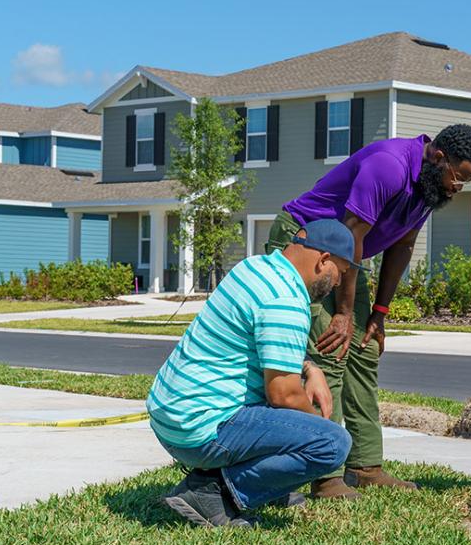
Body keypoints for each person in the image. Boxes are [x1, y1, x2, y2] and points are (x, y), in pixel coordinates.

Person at [266, 123, 471, 500]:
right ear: (438, 156)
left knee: (364, 350)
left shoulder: (427, 188)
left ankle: (366, 466)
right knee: (331, 348)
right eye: (457, 178)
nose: (456, 188)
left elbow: (402, 246)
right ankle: (326, 474)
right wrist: (343, 313)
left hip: (350, 256)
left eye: (465, 183)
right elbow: (352, 232)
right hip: (306, 243)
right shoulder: (388, 165)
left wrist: (379, 314)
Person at [147, 219, 359, 528]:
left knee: (297, 425)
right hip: (199, 428)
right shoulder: (285, 299)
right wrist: (314, 425)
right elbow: (283, 394)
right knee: (332, 443)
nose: (339, 282)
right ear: (323, 260)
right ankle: (217, 494)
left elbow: (258, 345)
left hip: (171, 417)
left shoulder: (255, 268)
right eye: (340, 271)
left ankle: (260, 484)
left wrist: (310, 368)